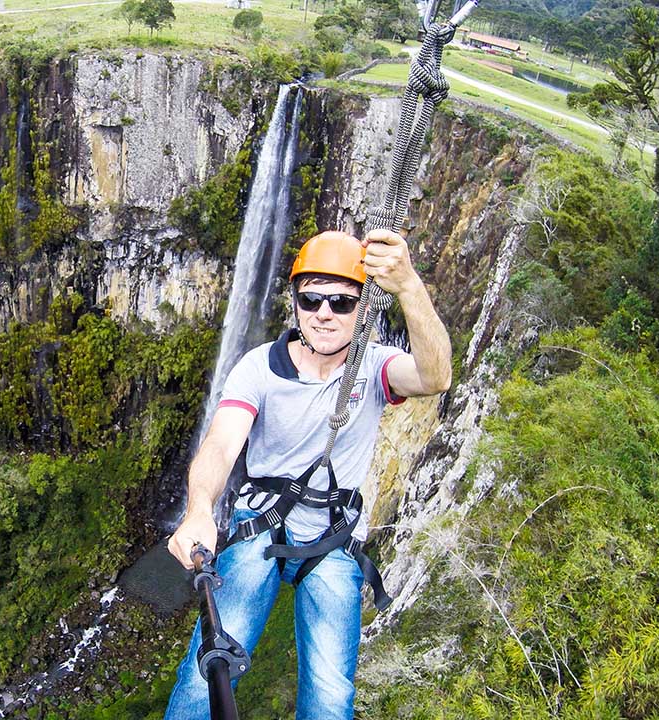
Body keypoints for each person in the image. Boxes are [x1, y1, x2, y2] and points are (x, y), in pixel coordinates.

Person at [163, 229, 453, 720]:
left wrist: (408, 286)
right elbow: (221, 444)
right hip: (261, 522)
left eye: (341, 301)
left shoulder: (376, 368)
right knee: (205, 674)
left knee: (329, 695)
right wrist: (197, 511)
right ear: (295, 303)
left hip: (333, 537)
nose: (324, 311)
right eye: (312, 297)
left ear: (362, 310)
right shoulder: (258, 369)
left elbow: (436, 376)